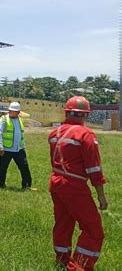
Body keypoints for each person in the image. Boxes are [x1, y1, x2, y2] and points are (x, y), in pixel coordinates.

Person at [48, 96, 108, 270]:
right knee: (94, 230)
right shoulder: (86, 134)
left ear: (67, 112)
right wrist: (101, 196)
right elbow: (94, 169)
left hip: (56, 183)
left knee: (63, 224)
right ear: (86, 115)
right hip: (74, 186)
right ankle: (78, 266)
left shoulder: (55, 134)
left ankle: (62, 260)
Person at [0, 102, 34, 190]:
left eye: (16, 111)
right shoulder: (4, 119)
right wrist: (0, 146)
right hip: (6, 149)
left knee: (24, 168)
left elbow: (20, 134)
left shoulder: (19, 119)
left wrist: (23, 147)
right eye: (12, 111)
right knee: (3, 168)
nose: (14, 113)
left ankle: (27, 186)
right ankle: (1, 185)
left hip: (19, 149)